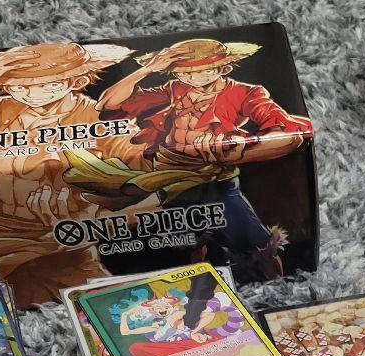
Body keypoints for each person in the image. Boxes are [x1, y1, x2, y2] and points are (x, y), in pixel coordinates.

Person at [65, 38, 313, 278]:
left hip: (213, 180)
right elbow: (108, 104)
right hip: (169, 177)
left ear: (223, 68)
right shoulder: (175, 89)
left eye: (205, 71)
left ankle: (276, 279)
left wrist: (238, 148)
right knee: (186, 242)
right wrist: (149, 68)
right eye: (185, 73)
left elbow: (288, 132)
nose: (194, 78)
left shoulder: (244, 93)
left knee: (255, 243)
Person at [0, 42, 137, 305]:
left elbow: (145, 173)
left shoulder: (96, 114)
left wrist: (94, 218)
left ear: (76, 81)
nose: (34, 94)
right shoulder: (3, 108)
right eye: (20, 87)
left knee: (104, 302)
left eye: (50, 84)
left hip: (67, 237)